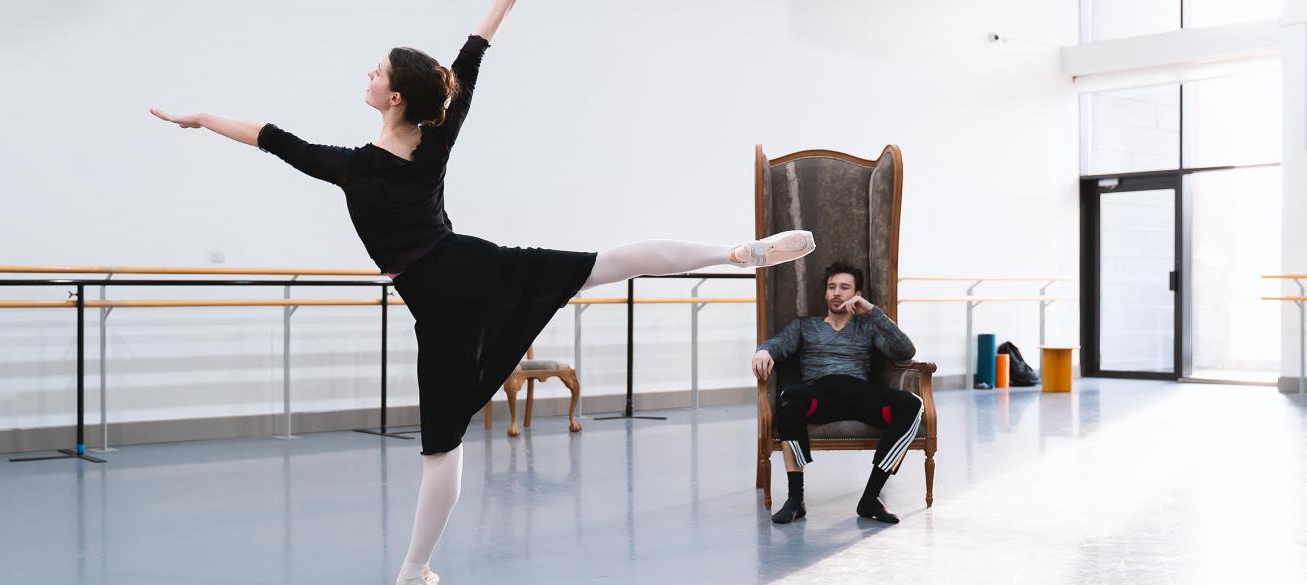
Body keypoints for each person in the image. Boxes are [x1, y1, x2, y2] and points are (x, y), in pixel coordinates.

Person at [150, 1, 815, 582]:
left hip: (438, 302)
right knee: (604, 264)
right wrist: (504, 5)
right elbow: (475, 50)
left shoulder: (352, 168)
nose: (368, 76)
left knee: (444, 444)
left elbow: (273, 139)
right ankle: (733, 253)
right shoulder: (434, 141)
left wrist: (201, 118)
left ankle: (414, 570)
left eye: (376, 72)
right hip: (475, 268)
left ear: (395, 97)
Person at [751, 261, 922, 525]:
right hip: (822, 397)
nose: (837, 293)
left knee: (912, 404)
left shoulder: (867, 327)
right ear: (825, 293)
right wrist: (764, 350)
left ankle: (871, 498)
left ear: (856, 294)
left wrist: (873, 312)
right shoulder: (805, 326)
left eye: (844, 287)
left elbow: (906, 351)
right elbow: (778, 343)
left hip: (860, 396)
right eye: (832, 287)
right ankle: (795, 499)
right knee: (789, 398)